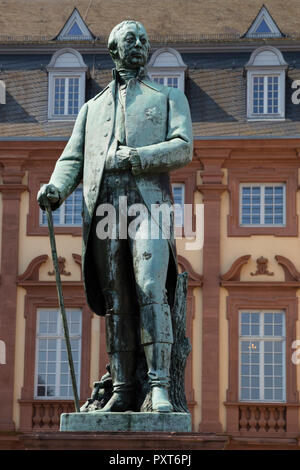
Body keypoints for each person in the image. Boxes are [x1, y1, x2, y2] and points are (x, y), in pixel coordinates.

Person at [38, 20, 193, 413]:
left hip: (149, 206)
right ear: (114, 50)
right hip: (105, 206)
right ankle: (123, 388)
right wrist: (55, 188)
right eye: (131, 40)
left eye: (144, 40)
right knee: (118, 301)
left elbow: (183, 147)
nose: (140, 45)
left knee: (149, 289)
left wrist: (136, 157)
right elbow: (72, 159)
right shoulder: (91, 109)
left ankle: (157, 386)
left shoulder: (168, 96)